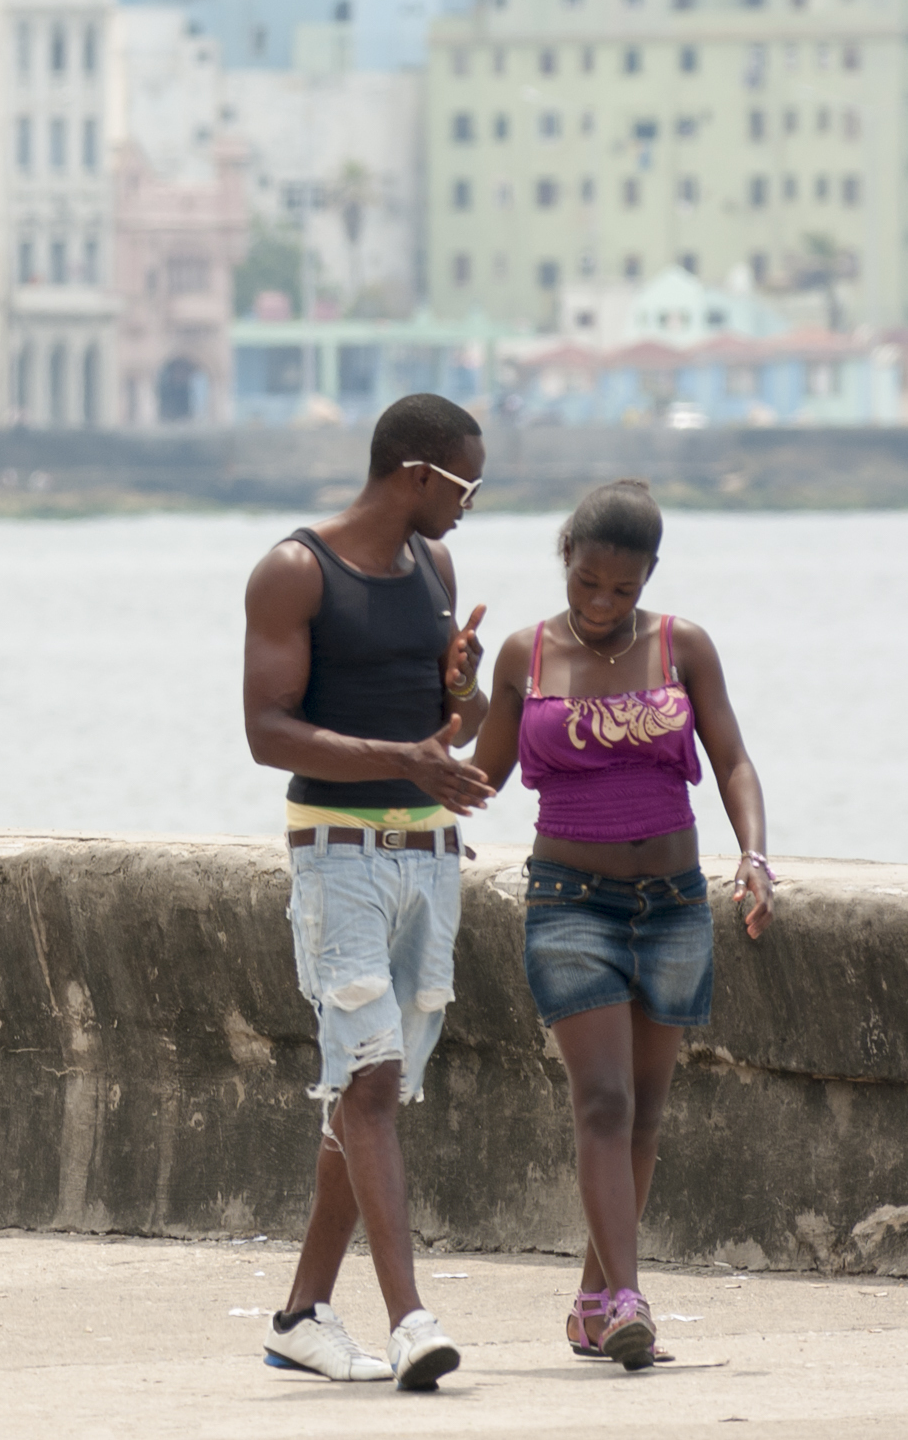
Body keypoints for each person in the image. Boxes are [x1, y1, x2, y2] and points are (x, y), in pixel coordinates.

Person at [462, 480, 773, 1373]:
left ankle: (595, 1304)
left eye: (621, 590)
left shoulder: (685, 647)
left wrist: (754, 855)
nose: (601, 605)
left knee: (643, 1112)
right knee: (601, 1098)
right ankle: (629, 1301)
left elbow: (734, 761)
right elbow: (477, 771)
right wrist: (449, 694)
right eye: (586, 584)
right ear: (565, 558)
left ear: (648, 580)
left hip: (672, 902)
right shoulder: (526, 653)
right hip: (569, 902)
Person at [239, 391, 495, 1391]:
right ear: (416, 474)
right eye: (467, 483)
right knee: (373, 1081)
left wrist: (463, 690)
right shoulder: (296, 570)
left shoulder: (436, 566)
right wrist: (406, 756)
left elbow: (452, 732)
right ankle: (410, 1319)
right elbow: (268, 730)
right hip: (336, 856)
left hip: (431, 857)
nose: (473, 503)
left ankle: (302, 1314)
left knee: (367, 1090)